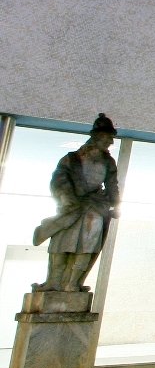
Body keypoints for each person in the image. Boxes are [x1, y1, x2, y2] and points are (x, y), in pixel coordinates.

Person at [34, 113, 121, 292]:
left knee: (87, 246)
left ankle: (73, 283)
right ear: (96, 138)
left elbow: (113, 185)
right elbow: (59, 179)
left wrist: (115, 204)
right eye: (107, 138)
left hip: (94, 208)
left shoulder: (109, 162)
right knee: (61, 245)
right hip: (72, 207)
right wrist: (67, 198)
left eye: (111, 139)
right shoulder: (72, 158)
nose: (110, 143)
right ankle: (53, 282)